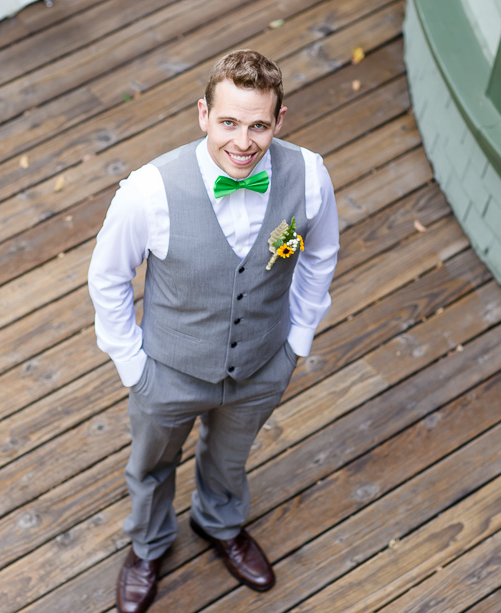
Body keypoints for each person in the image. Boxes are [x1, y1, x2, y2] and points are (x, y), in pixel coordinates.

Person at [87, 49, 339, 613]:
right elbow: (107, 279)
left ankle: (220, 524)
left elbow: (320, 256)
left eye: (257, 125)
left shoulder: (310, 175)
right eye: (228, 122)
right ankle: (149, 546)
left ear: (279, 120)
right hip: (169, 372)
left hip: (261, 365)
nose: (243, 141)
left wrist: (296, 341)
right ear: (203, 114)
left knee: (230, 459)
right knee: (151, 466)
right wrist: (134, 365)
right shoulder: (148, 191)